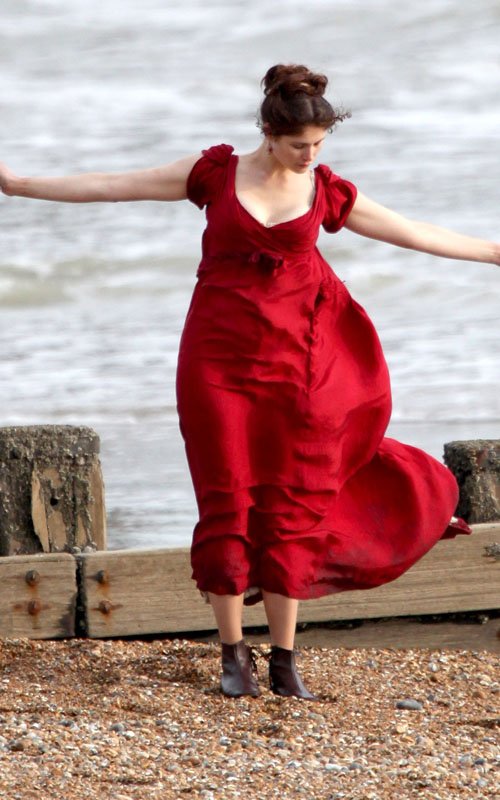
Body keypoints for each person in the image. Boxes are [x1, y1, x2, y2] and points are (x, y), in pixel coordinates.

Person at [1, 64, 498, 701]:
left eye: (319, 145)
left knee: (291, 505)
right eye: (298, 145)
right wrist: (17, 184)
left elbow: (412, 231)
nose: (310, 156)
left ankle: (285, 659)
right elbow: (113, 185)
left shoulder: (325, 189)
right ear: (268, 132)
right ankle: (233, 656)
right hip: (216, 363)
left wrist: (493, 252)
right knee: (226, 500)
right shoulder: (214, 174)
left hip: (300, 367)